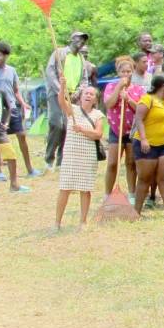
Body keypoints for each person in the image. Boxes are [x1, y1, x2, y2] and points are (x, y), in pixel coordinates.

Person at [54, 78, 104, 230]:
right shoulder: (73, 110)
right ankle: (57, 222)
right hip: (71, 153)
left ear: (95, 99)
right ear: (81, 96)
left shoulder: (98, 115)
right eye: (86, 93)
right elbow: (61, 101)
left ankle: (83, 221)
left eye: (92, 94)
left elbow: (98, 134)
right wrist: (62, 85)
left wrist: (82, 130)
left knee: (85, 188)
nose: (88, 96)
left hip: (87, 154)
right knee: (65, 187)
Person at [0, 41, 41, 179]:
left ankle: (30, 169)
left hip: (12, 107)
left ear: (5, 56)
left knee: (22, 135)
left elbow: (16, 90)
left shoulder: (12, 71)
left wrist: (23, 103)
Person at [131, 74, 164, 219]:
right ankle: (136, 212)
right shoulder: (147, 99)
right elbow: (139, 119)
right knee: (145, 179)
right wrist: (144, 139)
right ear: (163, 86)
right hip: (146, 145)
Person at [43, 31, 90, 169]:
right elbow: (50, 73)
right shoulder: (60, 53)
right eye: (79, 38)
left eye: (83, 39)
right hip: (57, 94)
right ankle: (48, 159)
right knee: (57, 124)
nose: (81, 41)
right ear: (71, 39)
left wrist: (79, 91)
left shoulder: (81, 58)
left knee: (68, 128)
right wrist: (60, 90)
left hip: (73, 96)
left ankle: (61, 160)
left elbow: (84, 79)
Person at [103, 56, 144, 201]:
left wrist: (129, 99)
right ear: (118, 72)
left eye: (129, 71)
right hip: (116, 130)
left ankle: (132, 194)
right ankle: (107, 194)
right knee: (113, 163)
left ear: (133, 71)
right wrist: (119, 89)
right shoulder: (110, 86)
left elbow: (140, 109)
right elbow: (108, 104)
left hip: (132, 130)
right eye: (123, 72)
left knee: (131, 163)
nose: (126, 74)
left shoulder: (139, 89)